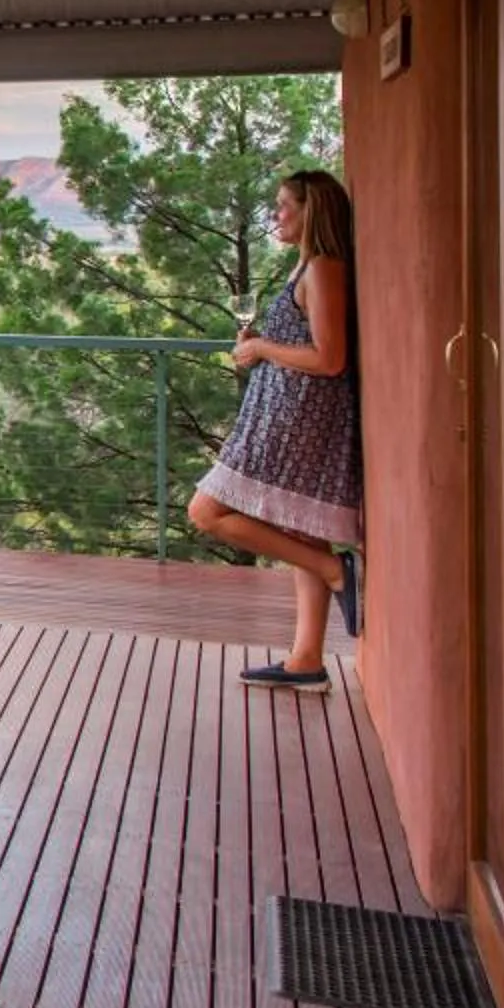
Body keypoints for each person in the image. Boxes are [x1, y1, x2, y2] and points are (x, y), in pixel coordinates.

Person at [189, 169, 363, 688]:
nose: (276, 214)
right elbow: (309, 343)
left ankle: (337, 573)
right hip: (287, 410)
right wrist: (258, 344)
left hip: (299, 418)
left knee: (207, 510)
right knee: (298, 526)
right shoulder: (306, 266)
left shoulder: (324, 268)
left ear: (313, 211)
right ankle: (306, 660)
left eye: (285, 205)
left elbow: (331, 359)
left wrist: (262, 348)